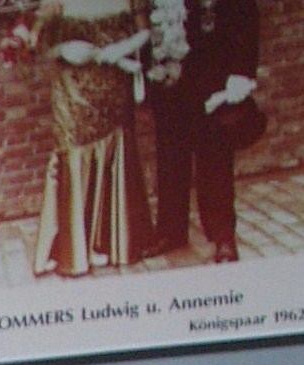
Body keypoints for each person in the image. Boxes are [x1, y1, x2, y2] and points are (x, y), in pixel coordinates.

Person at [22, 0, 153, 278]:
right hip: (73, 88)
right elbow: (39, 45)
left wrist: (118, 51)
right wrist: (64, 50)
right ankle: (70, 249)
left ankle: (108, 242)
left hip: (114, 84)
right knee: (72, 155)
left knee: (114, 151)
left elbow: (145, 31)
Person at [145, 0, 261, 263]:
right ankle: (171, 231)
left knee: (215, 157)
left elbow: (246, 17)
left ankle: (222, 235)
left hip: (214, 68)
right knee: (171, 156)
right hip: (172, 70)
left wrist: (241, 71)